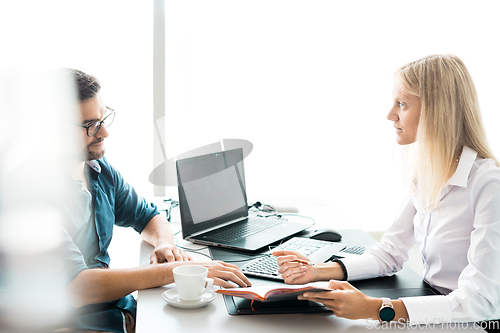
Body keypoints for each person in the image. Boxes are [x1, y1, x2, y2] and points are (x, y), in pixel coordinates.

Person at [273, 54, 500, 325]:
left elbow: (480, 301)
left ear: (437, 111)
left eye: (402, 104)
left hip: (476, 322)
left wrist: (377, 308)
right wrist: (317, 271)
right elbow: (390, 253)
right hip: (435, 312)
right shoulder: (429, 174)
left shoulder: (489, 186)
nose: (390, 114)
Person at [53, 69, 251, 333]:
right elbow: (79, 287)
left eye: (103, 119)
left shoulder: (98, 168)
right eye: (90, 125)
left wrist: (165, 245)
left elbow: (148, 216)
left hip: (121, 312)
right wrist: (180, 269)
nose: (105, 133)